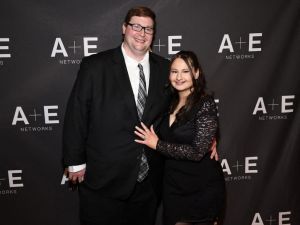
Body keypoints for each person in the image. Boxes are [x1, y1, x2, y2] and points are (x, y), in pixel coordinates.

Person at [63, 6, 218, 225]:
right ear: (124, 28)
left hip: (149, 181)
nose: (141, 33)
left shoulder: (167, 69)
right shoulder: (95, 66)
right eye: (136, 26)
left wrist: (207, 137)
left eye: (148, 29)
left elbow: (185, 107)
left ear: (154, 34)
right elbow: (76, 113)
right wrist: (75, 161)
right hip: (104, 178)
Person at [135, 51, 225, 225]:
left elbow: (197, 152)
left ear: (197, 73)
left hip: (200, 188)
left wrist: (158, 144)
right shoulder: (168, 102)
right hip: (172, 188)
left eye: (185, 71)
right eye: (174, 71)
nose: (179, 77)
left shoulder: (204, 104)